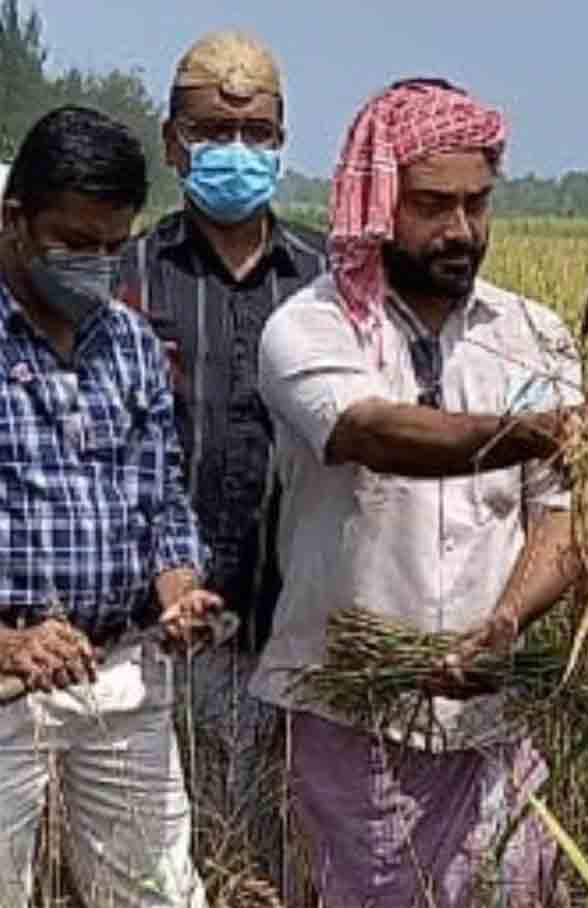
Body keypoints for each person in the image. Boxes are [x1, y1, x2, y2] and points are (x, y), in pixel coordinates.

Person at [250, 78, 582, 908]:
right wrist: (530, 431)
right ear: (376, 203)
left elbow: (562, 522)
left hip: (491, 720)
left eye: (477, 204)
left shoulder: (535, 336)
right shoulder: (309, 328)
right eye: (432, 205)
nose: (460, 231)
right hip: (348, 708)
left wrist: (506, 624)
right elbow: (372, 432)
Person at [0, 106, 222, 908]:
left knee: (158, 892)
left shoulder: (126, 340)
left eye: (111, 246)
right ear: (14, 219)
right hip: (4, 684)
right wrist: (10, 644)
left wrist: (178, 586)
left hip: (120, 674)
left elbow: (160, 498)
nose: (93, 264)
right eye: (74, 243)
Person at [117, 26, 325, 881]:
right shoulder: (124, 273)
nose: (234, 153)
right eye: (211, 135)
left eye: (255, 136)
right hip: (153, 631)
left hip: (297, 623)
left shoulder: (327, 282)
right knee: (165, 862)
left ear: (280, 143)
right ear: (173, 143)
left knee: (289, 855)